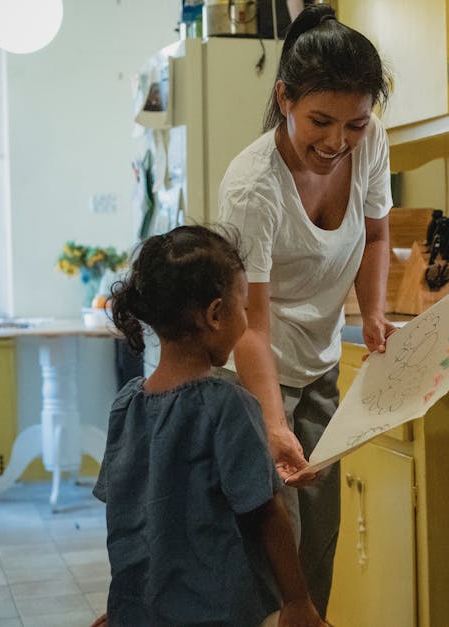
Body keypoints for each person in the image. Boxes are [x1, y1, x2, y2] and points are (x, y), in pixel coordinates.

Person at [217, 3, 394, 616]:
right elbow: (251, 326)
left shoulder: (368, 143)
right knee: (275, 539)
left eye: (355, 125)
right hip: (250, 372)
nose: (337, 143)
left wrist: (371, 313)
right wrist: (271, 421)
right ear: (284, 97)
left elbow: (375, 236)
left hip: (318, 365)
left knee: (319, 537)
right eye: (321, 121)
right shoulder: (252, 188)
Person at [92, 225, 326, 627]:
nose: (246, 321)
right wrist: (298, 600)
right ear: (217, 314)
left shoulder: (126, 405)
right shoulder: (229, 407)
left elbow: (128, 517)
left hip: (142, 612)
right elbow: (267, 514)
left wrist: (122, 604)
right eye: (244, 309)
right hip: (217, 613)